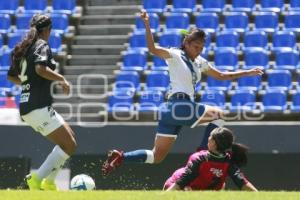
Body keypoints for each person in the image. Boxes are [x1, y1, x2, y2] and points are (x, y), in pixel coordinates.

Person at [101, 10, 263, 176]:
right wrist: (147, 24)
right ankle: (203, 153)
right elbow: (152, 48)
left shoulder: (200, 62)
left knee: (157, 157)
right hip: (180, 105)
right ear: (186, 43)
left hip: (171, 111)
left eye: (201, 47)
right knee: (219, 115)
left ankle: (120, 157)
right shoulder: (175, 55)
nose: (198, 50)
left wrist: (247, 72)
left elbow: (221, 75)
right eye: (195, 46)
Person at [7, 14, 77, 190]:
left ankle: (49, 182)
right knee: (69, 145)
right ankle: (37, 179)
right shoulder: (41, 45)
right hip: (37, 106)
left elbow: (11, 76)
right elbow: (40, 68)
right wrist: (61, 78)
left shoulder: (25, 48)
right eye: (50, 30)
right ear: (47, 30)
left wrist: (28, 83)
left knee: (69, 141)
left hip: (29, 106)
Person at [164, 127, 257, 191]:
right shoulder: (199, 158)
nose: (208, 138)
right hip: (178, 185)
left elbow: (242, 183)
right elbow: (182, 183)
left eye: (210, 136)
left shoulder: (228, 161)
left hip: (201, 189)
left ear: (213, 143)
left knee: (222, 185)